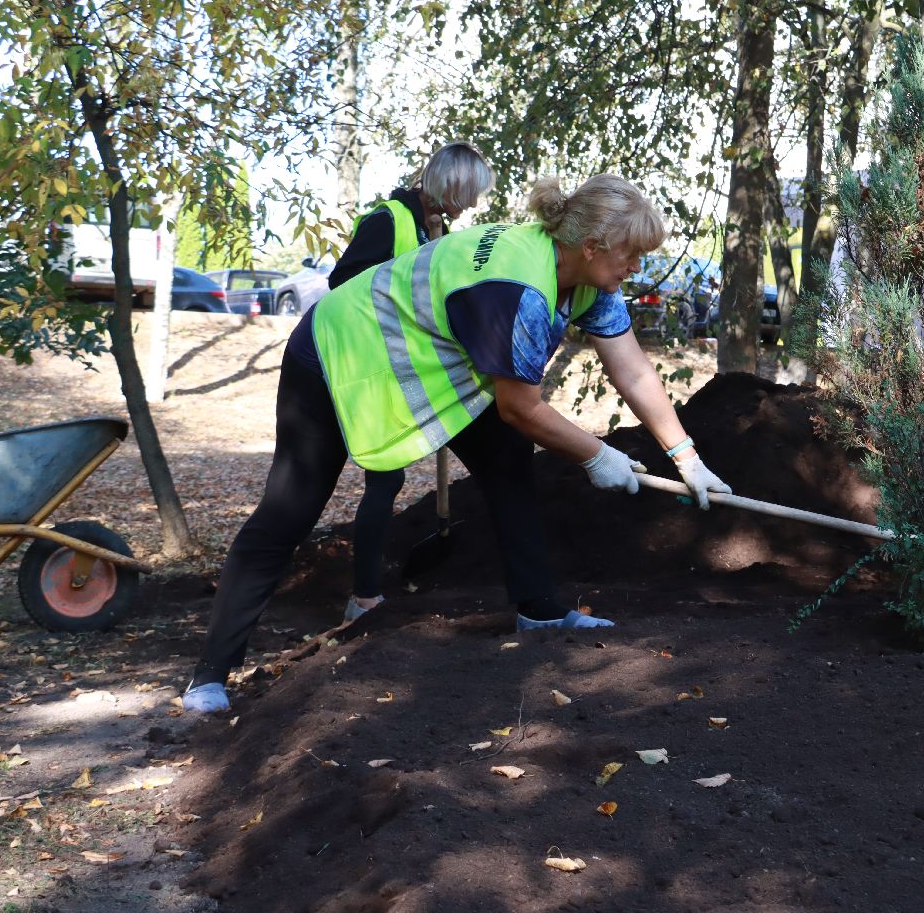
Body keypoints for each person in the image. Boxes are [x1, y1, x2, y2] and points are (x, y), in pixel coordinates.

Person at [181, 172, 732, 714]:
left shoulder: (582, 275)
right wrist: (598, 455)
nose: (636, 268)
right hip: (337, 354)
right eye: (630, 256)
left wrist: (686, 456)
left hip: (433, 366)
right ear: (590, 246)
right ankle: (209, 674)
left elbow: (631, 369)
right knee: (289, 511)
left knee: (508, 461)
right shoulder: (517, 290)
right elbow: (521, 407)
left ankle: (539, 611)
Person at [327, 143, 495, 626]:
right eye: (470, 194)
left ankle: (366, 594)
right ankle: (362, 599)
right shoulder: (389, 219)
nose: (475, 204)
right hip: (363, 370)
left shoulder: (434, 229)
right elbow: (344, 284)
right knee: (384, 477)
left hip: (402, 373)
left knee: (388, 476)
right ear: (449, 186)